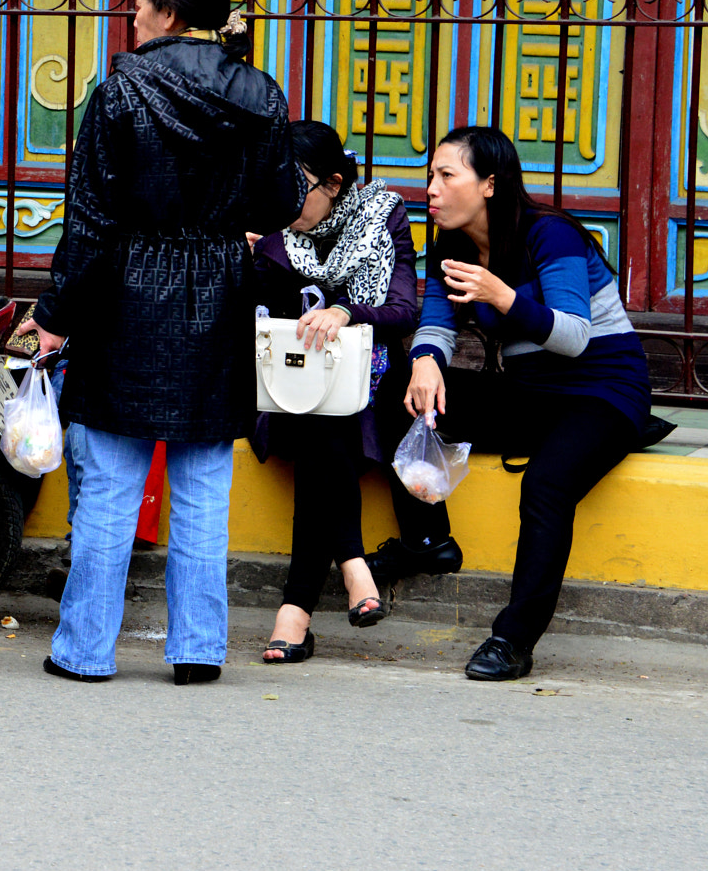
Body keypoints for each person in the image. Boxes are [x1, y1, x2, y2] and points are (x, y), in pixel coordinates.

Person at [27, 0, 301, 684]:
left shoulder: (119, 92)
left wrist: (55, 312)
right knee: (205, 483)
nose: (133, 10)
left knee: (111, 484)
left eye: (141, 0)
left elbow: (88, 220)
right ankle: (199, 650)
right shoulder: (262, 94)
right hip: (216, 288)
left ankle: (85, 649)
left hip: (127, 291)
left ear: (169, 13)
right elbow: (281, 204)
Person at [380, 126, 672, 681]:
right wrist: (424, 361)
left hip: (601, 391)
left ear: (489, 184)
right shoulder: (453, 248)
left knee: (546, 486)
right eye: (430, 177)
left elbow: (573, 337)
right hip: (532, 393)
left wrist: (501, 295)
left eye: (447, 176)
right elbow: (437, 328)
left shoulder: (550, 235)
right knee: (399, 392)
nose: (431, 190)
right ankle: (427, 541)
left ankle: (513, 638)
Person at [247, 120, 417, 663]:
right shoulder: (274, 235)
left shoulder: (382, 217)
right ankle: (351, 563)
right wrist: (251, 259)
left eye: (297, 186)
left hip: (370, 383)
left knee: (326, 422)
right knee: (317, 417)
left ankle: (296, 610)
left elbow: (403, 310)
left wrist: (346, 311)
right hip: (291, 388)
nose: (283, 200)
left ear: (335, 183)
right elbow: (263, 322)